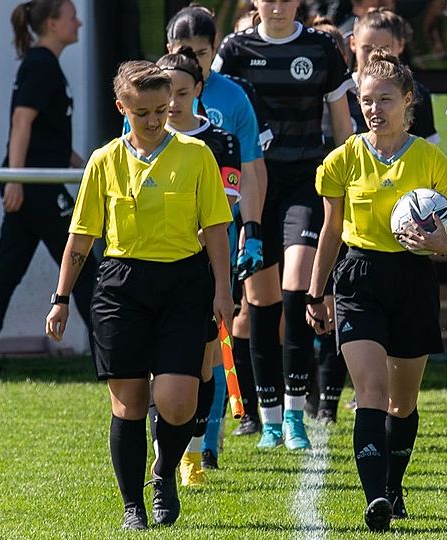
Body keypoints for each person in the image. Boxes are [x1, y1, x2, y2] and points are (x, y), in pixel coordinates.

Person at [45, 60, 233, 529]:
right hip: (121, 287)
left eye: (161, 110)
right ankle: (133, 506)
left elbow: (215, 229)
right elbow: (81, 238)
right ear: (122, 108)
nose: (153, 121)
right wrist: (61, 297)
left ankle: (164, 471)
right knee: (128, 402)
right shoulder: (104, 160)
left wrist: (223, 290)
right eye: (142, 112)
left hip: (184, 284)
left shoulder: (197, 155)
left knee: (178, 400)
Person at [306, 49, 447, 530]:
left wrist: (444, 244)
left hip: (414, 279)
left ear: (407, 101)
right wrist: (315, 293)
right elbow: (330, 231)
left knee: (403, 402)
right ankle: (376, 497)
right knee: (372, 392)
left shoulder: (429, 158)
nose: (374, 109)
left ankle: (394, 486)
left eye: (384, 99)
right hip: (359, 278)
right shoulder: (342, 160)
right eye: (366, 100)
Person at [213, 0, 355, 450]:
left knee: (297, 290)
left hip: (304, 182)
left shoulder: (320, 48)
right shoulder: (234, 49)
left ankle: (295, 415)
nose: (277, 6)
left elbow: (342, 125)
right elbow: (215, 112)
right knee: (260, 302)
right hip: (254, 184)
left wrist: (349, 182)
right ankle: (269, 418)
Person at [0, 0, 95, 377]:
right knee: (83, 266)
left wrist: (89, 167)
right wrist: (16, 179)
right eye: (72, 17)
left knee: (6, 272)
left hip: (35, 183)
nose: (79, 23)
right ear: (52, 24)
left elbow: (50, 138)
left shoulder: (45, 65)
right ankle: (109, 357)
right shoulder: (41, 65)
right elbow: (21, 122)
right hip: (35, 186)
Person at [163, 5, 269, 441]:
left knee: (213, 342)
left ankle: (207, 441)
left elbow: (252, 168)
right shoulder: (147, 96)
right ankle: (171, 442)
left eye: (201, 52)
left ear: (215, 49)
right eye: (183, 50)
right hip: (160, 241)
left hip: (217, 238)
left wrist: (252, 231)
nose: (192, 58)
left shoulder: (234, 97)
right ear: (168, 48)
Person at [152, 48, 241, 486]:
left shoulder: (221, 142)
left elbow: (225, 208)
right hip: (152, 266)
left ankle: (193, 451)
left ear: (199, 90)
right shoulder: (143, 140)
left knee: (203, 366)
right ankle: (164, 457)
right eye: (165, 93)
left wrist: (188, 241)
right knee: (158, 366)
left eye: (182, 93)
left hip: (204, 264)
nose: (172, 103)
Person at [348, 8, 439, 143]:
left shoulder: (417, 94)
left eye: (384, 49)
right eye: (367, 49)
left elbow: (426, 151)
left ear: (401, 45)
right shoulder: (340, 90)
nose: (375, 55)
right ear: (353, 43)